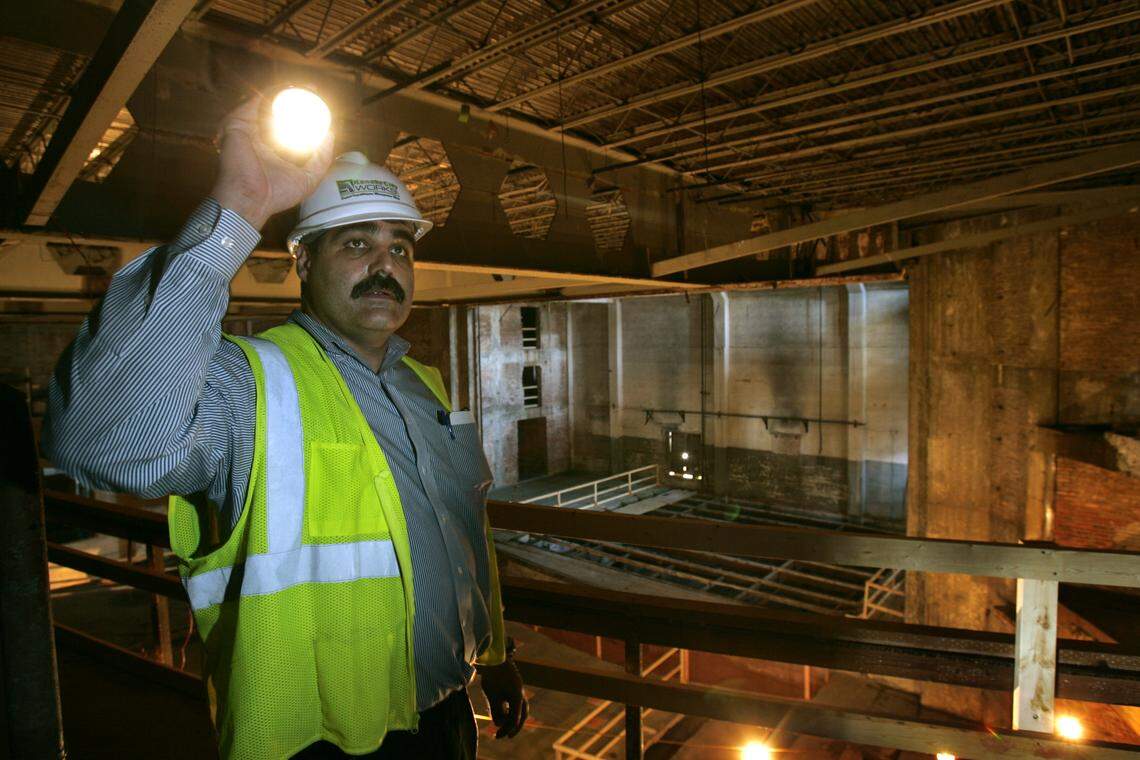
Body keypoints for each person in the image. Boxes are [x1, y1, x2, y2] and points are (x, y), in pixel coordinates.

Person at [43, 96, 527, 759]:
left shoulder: (427, 388)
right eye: (357, 244)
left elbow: (466, 534)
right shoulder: (253, 384)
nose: (385, 267)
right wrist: (240, 205)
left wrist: (494, 655)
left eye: (401, 247)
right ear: (302, 262)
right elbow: (97, 438)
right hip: (313, 738)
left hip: (447, 713)